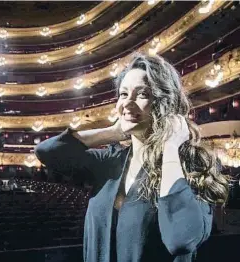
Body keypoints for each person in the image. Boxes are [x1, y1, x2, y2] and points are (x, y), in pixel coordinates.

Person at [35, 54, 229, 262]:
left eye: (142, 94)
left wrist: (170, 146)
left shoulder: (191, 165)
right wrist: (113, 132)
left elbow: (181, 239)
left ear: (164, 103)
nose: (128, 103)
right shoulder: (110, 160)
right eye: (123, 94)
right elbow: (48, 152)